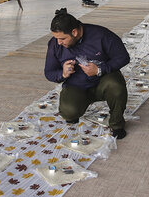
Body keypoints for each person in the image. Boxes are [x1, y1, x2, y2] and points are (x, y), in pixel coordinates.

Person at [44, 9, 130, 139]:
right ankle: (78, 106)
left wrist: (100, 69)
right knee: (69, 113)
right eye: (56, 38)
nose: (59, 43)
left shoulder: (101, 35)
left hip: (103, 81)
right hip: (77, 85)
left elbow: (123, 57)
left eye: (62, 38)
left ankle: (117, 124)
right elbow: (49, 72)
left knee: (116, 86)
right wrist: (62, 74)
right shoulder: (55, 44)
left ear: (74, 32)